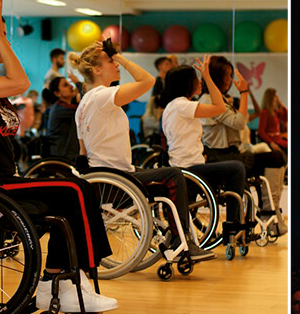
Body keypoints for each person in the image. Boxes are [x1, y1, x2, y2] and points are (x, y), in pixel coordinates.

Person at [0, 0, 117, 314]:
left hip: (4, 180)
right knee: (74, 189)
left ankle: (62, 279)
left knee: (75, 188)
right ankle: (64, 282)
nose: (4, 41)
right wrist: (0, 36)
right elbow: (21, 81)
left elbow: (14, 89)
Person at [72, 39, 214, 262]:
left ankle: (174, 238)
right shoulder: (101, 96)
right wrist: (119, 56)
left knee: (165, 182)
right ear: (97, 70)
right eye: (110, 61)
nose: (116, 64)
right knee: (174, 174)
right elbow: (147, 80)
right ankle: (179, 241)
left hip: (107, 180)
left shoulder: (83, 105)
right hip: (116, 181)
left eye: (115, 60)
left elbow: (82, 154)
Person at [200, 55, 288, 231]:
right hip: (219, 157)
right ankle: (269, 213)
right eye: (226, 75)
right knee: (275, 157)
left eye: (230, 75)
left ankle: (270, 211)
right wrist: (244, 92)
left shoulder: (220, 99)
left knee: (277, 157)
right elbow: (239, 123)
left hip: (232, 153)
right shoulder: (208, 100)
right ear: (216, 76)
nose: (229, 80)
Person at [160, 58, 248, 234]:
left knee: (234, 166)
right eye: (196, 78)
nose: (199, 81)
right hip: (190, 168)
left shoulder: (173, 106)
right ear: (187, 83)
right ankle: (232, 226)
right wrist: (208, 77)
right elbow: (219, 107)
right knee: (237, 168)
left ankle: (234, 223)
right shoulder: (181, 105)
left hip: (187, 165)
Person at [43, 76, 81, 159]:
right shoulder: (59, 109)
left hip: (66, 154)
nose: (71, 86)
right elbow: (83, 108)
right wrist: (78, 84)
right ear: (57, 93)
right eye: (65, 85)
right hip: (61, 156)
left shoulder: (65, 107)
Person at [257, 88, 288, 153]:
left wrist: (280, 103)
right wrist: (271, 143)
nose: (277, 98)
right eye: (275, 96)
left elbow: (286, 117)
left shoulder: (274, 112)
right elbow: (261, 131)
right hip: (273, 141)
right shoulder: (265, 112)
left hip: (278, 140)